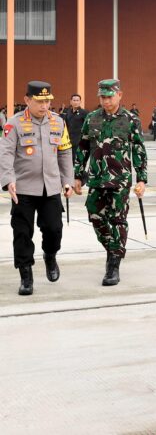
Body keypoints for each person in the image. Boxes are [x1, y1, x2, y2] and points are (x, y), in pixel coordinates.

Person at [0, 81, 74, 295]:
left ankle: (50, 255)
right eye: (40, 101)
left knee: (54, 229)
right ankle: (26, 274)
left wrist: (67, 179)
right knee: (22, 233)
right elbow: (5, 154)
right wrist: (8, 180)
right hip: (22, 188)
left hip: (50, 187)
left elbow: (65, 152)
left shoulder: (58, 123)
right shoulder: (13, 124)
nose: (44, 106)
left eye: (47, 101)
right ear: (27, 100)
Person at [73, 79, 147, 286]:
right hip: (97, 179)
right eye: (102, 97)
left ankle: (113, 264)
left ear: (119, 95)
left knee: (117, 220)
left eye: (109, 96)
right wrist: (78, 175)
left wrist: (142, 179)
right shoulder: (92, 118)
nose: (106, 101)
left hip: (120, 180)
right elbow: (83, 147)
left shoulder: (131, 119)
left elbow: (138, 150)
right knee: (95, 217)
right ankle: (114, 249)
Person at [60, 94, 89, 164]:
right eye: (74, 100)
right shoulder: (68, 112)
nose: (76, 102)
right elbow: (65, 125)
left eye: (77, 100)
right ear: (71, 102)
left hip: (80, 142)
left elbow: (88, 126)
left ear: (80, 102)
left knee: (79, 161)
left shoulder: (84, 113)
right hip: (69, 141)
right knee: (70, 161)